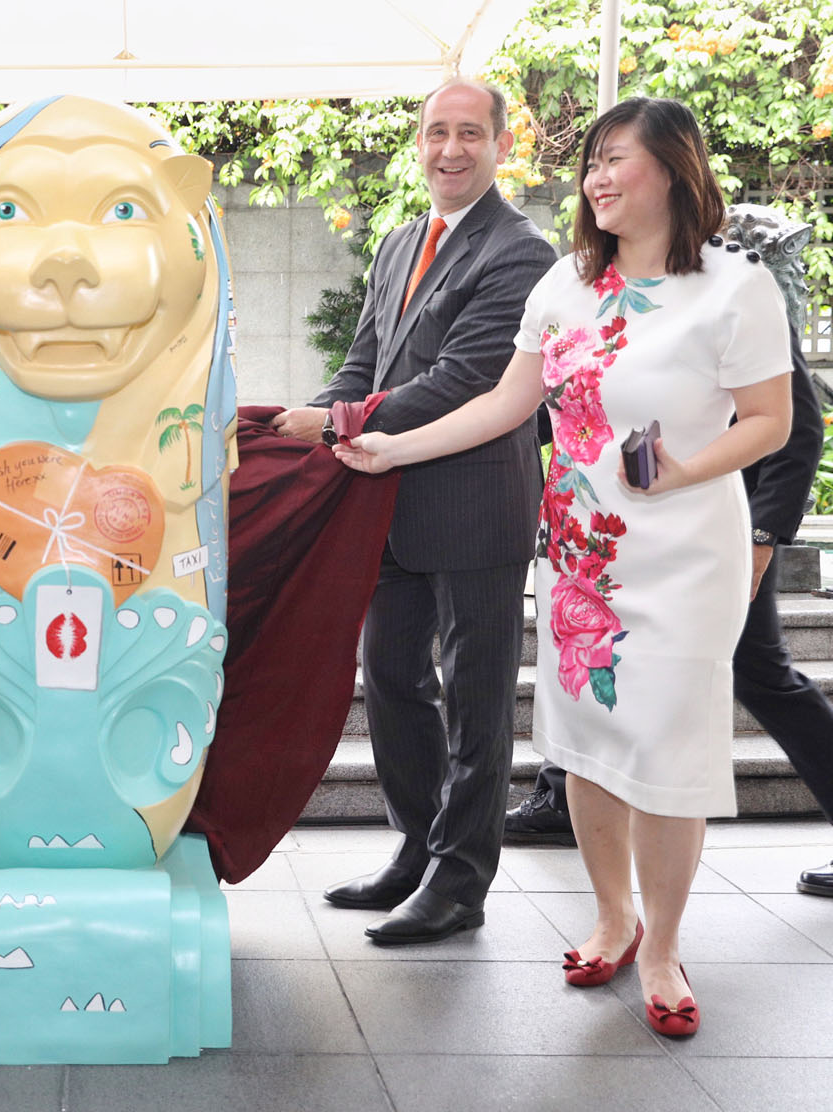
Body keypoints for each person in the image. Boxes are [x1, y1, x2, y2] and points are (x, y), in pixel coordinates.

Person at [334, 97, 793, 1037]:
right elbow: (506, 404)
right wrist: (391, 448)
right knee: (583, 747)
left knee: (667, 747)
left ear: (673, 168)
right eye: (592, 162)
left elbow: (771, 422)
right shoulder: (565, 287)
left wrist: (679, 468)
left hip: (684, 552)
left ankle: (662, 947)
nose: (598, 177)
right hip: (583, 557)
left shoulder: (735, 288)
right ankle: (613, 915)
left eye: (618, 159)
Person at [272, 78, 555, 943]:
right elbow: (363, 361)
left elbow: (465, 379)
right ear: (418, 142)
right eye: (437, 132)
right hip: (384, 500)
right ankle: (414, 849)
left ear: (503, 145)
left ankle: (461, 881)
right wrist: (318, 421)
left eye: (471, 133)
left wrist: (337, 423)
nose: (451, 149)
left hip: (475, 504)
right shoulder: (399, 242)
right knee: (392, 678)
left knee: (475, 699)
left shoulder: (520, 252)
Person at [507, 207, 833, 900]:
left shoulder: (735, 287)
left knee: (760, 675)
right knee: (601, 669)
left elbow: (793, 430)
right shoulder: (590, 289)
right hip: (617, 536)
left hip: (710, 535)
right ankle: (561, 789)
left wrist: (762, 538)